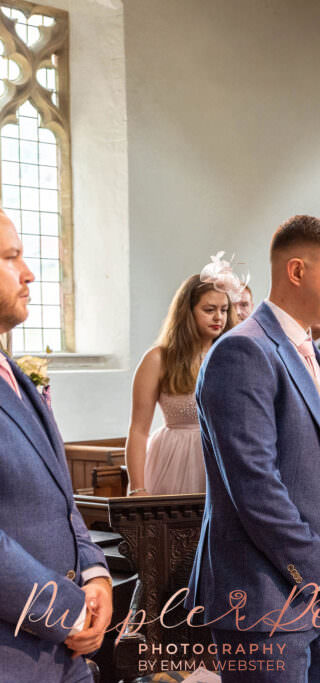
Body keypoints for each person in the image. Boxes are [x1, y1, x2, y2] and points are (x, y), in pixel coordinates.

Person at [187, 215, 320, 682]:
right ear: (296, 272)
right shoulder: (243, 352)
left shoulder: (307, 353)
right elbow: (255, 487)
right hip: (264, 604)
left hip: (318, 598)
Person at [0, 210, 114, 682]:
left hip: (62, 658)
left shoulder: (17, 376)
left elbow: (61, 501)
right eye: (11, 257)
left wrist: (94, 574)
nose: (29, 272)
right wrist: (64, 612)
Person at [126, 267, 238, 496]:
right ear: (187, 311)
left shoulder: (234, 356)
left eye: (224, 310)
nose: (219, 317)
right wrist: (137, 488)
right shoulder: (158, 358)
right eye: (209, 310)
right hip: (173, 460)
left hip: (224, 459)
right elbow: (138, 430)